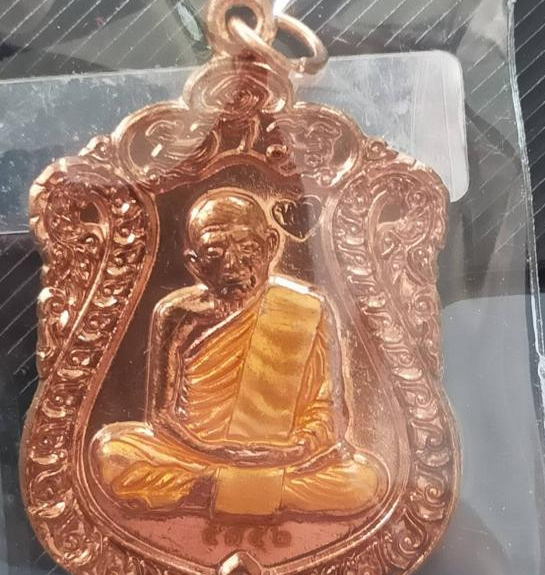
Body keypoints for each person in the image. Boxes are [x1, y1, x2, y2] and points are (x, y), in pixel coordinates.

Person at [90, 189, 386, 517]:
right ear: (194, 264)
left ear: (271, 245)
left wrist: (292, 451)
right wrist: (218, 453)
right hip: (196, 455)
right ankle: (258, 492)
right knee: (112, 452)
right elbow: (161, 418)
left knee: (365, 480)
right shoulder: (176, 314)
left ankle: (215, 490)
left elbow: (329, 412)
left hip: (280, 458)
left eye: (248, 248)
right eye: (214, 253)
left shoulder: (307, 308)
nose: (232, 266)